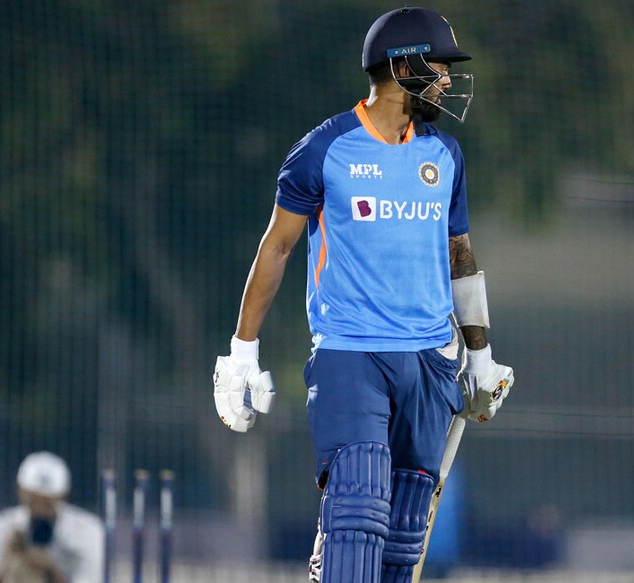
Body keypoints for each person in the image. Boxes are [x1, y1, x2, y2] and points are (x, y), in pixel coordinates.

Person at [211, 6, 514, 583]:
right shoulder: (325, 149)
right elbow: (275, 248)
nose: (448, 81)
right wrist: (242, 351)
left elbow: (461, 258)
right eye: (440, 67)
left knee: (402, 542)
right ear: (402, 68)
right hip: (351, 354)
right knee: (356, 510)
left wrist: (479, 354)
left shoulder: (444, 154)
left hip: (430, 361)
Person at [0, 451, 104, 583]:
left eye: (47, 502)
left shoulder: (88, 532)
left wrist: (51, 569)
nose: (40, 508)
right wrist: (8, 560)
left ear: (63, 496)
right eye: (33, 500)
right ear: (20, 493)